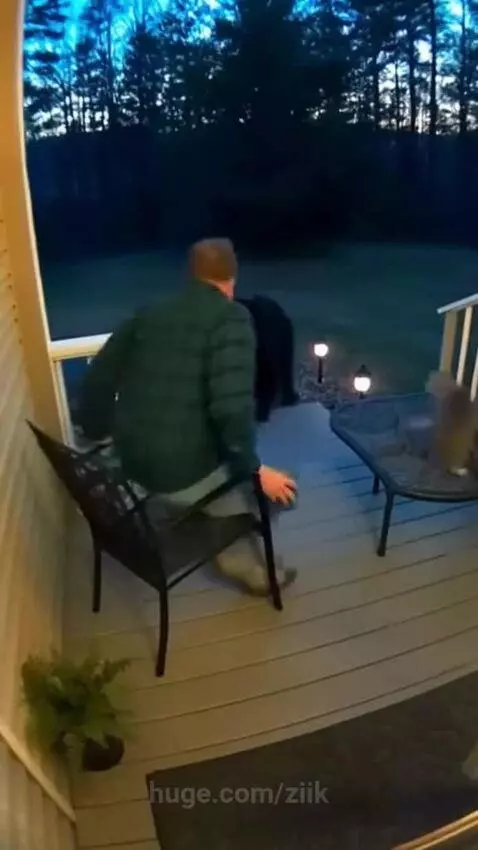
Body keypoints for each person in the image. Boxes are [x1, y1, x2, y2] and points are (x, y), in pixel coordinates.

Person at [78, 238, 298, 595]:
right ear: (232, 277)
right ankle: (237, 556)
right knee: (279, 489)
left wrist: (98, 432)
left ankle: (217, 521)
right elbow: (231, 410)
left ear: (192, 274)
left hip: (131, 463)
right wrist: (256, 470)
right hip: (178, 474)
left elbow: (97, 380)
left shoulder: (149, 311)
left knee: (214, 456)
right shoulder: (232, 319)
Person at [237, 294, 299, 422]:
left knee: (277, 370)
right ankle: (285, 397)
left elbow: (268, 369)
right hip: (261, 317)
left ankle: (286, 397)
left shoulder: (265, 334)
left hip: (273, 322)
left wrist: (261, 413)